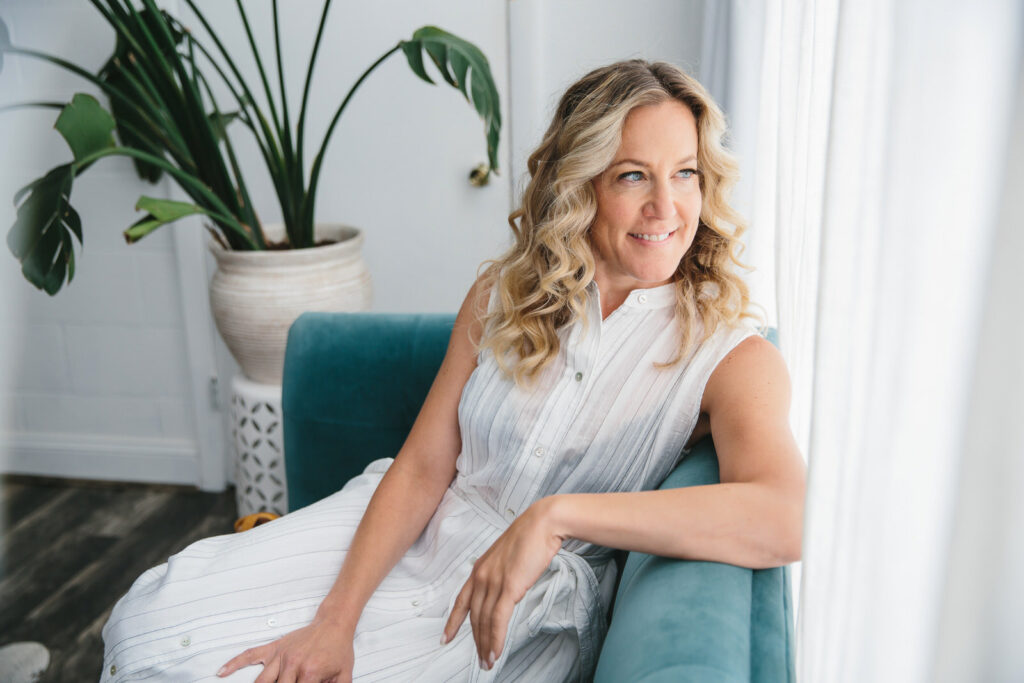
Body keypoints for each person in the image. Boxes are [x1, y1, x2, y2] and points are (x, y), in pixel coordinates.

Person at [100, 59, 805, 683]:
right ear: (581, 184)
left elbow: (785, 517)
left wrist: (554, 517)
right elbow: (421, 467)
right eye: (633, 175)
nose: (666, 206)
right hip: (407, 535)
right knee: (148, 623)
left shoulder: (731, 353)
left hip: (519, 599)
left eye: (685, 173)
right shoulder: (505, 293)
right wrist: (336, 619)